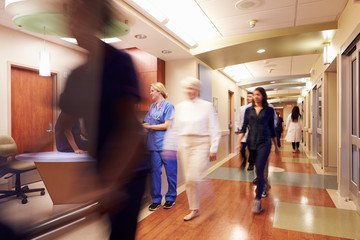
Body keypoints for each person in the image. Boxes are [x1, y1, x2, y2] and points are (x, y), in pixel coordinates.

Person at [60, 1, 147, 239]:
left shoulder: (119, 63)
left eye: (80, 16)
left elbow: (132, 133)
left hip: (130, 169)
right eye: (70, 17)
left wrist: (111, 184)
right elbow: (64, 121)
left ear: (99, 20)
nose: (73, 24)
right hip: (102, 166)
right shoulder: (77, 75)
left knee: (120, 233)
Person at [163, 77, 220, 221]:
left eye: (193, 88)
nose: (190, 91)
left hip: (201, 143)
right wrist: (169, 147)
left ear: (197, 90)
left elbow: (214, 128)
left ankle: (207, 190)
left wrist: (214, 147)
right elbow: (174, 129)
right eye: (187, 88)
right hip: (185, 144)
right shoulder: (180, 107)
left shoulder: (207, 106)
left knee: (192, 177)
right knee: (189, 180)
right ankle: (194, 209)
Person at [236, 87, 279, 214]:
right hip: (251, 143)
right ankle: (262, 185)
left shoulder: (269, 110)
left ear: (263, 96)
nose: (255, 97)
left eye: (258, 95)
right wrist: (238, 143)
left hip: (264, 143)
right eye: (254, 95)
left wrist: (276, 146)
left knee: (260, 170)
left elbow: (272, 129)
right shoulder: (248, 111)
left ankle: (258, 199)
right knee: (256, 168)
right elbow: (243, 127)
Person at [143, 83, 177, 211]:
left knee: (171, 173)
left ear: (159, 91)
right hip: (153, 144)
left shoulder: (169, 106)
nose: (150, 93)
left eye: (152, 91)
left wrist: (150, 127)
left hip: (167, 144)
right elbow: (146, 121)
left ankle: (171, 198)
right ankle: (156, 200)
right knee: (155, 173)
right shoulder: (152, 107)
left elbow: (167, 125)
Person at [235, 92, 253, 170]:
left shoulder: (254, 108)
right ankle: (244, 160)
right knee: (242, 149)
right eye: (247, 96)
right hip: (243, 131)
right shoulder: (242, 108)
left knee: (251, 149)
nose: (248, 98)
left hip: (251, 132)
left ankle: (251, 163)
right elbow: (238, 118)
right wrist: (236, 128)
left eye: (250, 96)